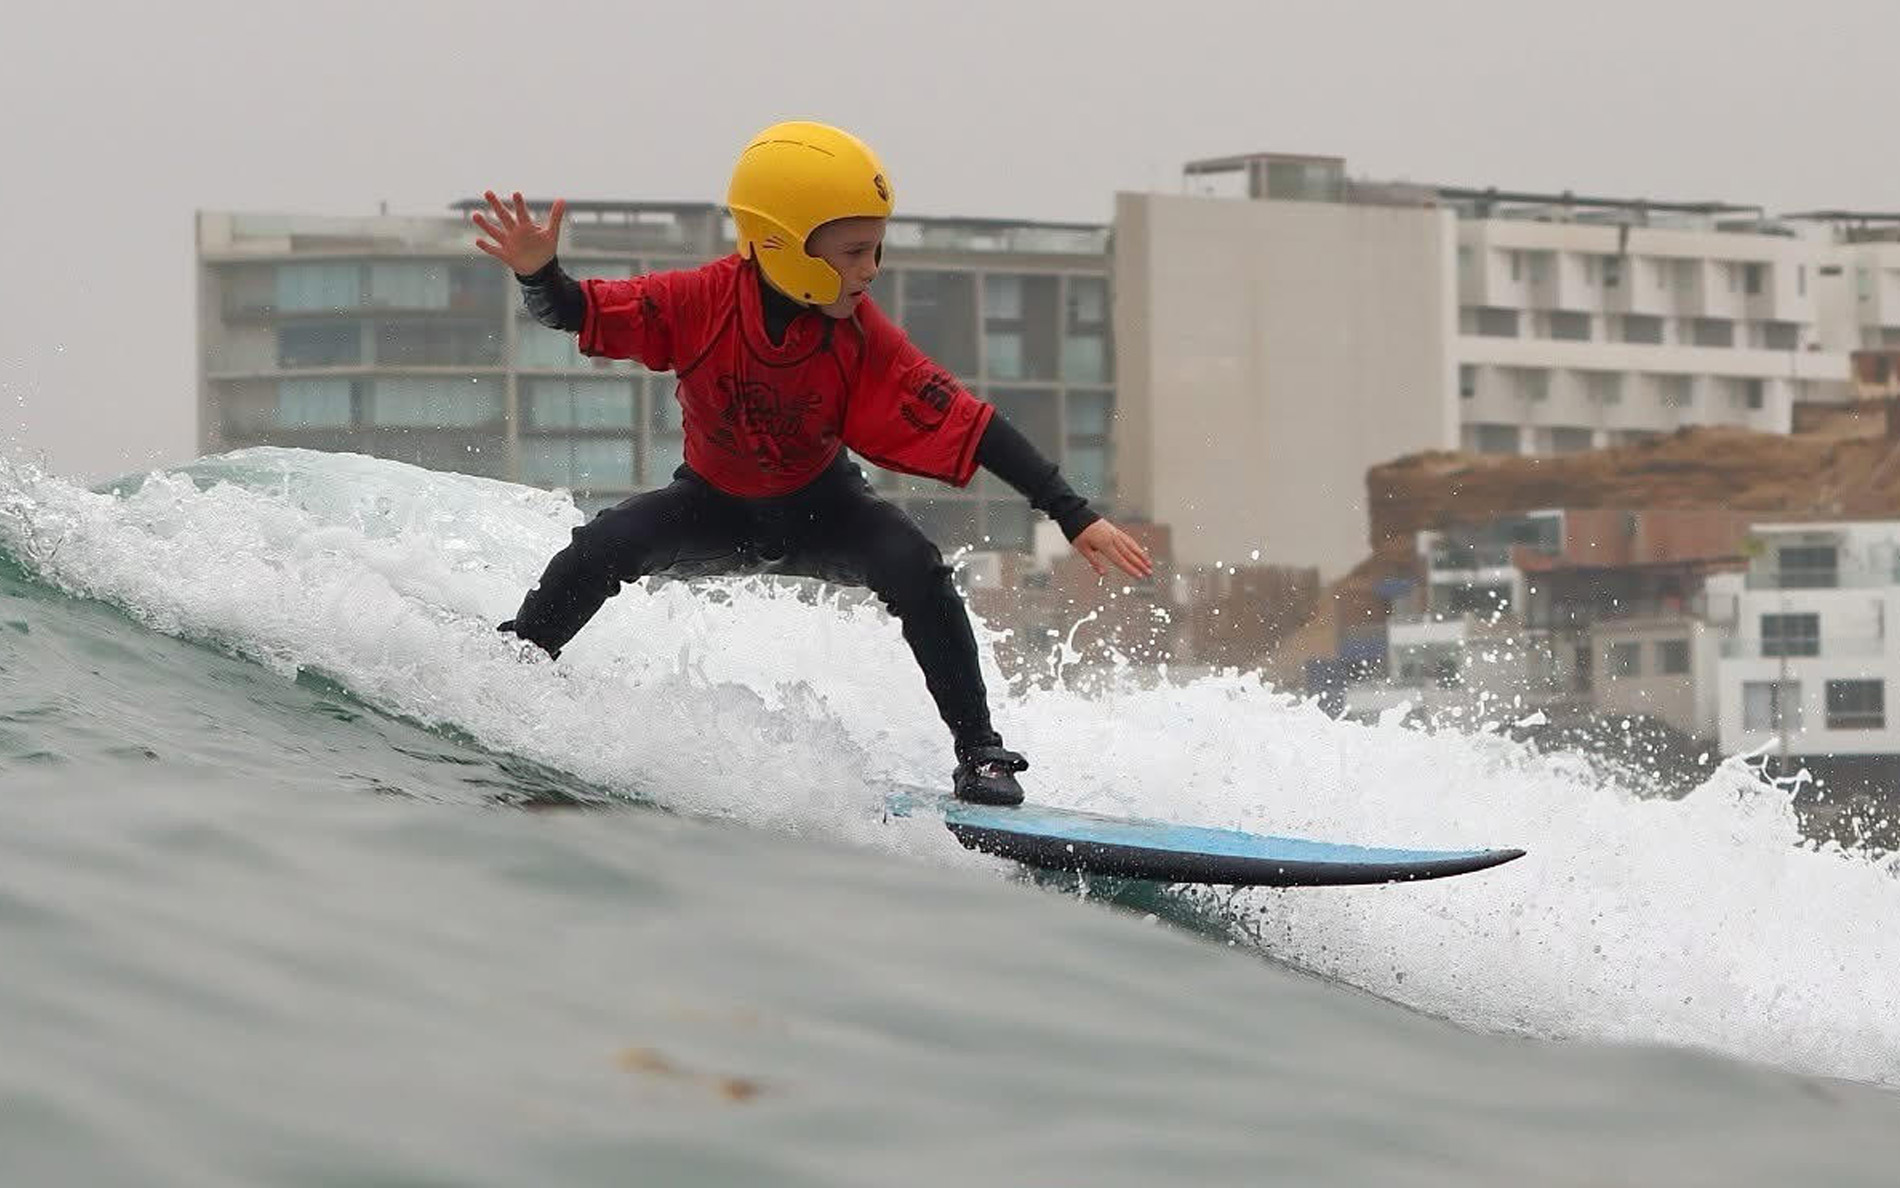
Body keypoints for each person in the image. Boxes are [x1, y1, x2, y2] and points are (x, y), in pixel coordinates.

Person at [473, 120, 1151, 805]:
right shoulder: (697, 302)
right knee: (600, 546)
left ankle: (981, 753)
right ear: (778, 244)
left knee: (916, 568)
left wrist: (1072, 514)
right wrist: (539, 272)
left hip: (826, 509)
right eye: (854, 252)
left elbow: (976, 427)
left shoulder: (862, 335)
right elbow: (573, 310)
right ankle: (510, 670)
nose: (871, 269)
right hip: (711, 505)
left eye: (877, 248)